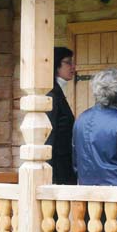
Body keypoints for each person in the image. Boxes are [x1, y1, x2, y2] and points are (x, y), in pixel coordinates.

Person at [44, 47, 77, 185]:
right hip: (57, 167)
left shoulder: (57, 92)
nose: (73, 67)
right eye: (68, 62)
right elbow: (49, 135)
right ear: (56, 64)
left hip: (63, 163)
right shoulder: (51, 94)